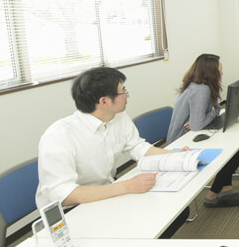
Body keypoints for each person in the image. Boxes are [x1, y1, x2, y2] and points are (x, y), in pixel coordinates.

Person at [36, 67, 196, 237]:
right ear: (104, 102)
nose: (127, 95)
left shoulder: (117, 117)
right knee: (139, 231)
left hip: (107, 191)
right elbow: (65, 194)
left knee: (176, 214)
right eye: (123, 91)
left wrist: (176, 155)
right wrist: (127, 186)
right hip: (70, 211)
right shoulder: (59, 136)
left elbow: (137, 147)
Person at [166, 53, 239, 208]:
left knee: (235, 149)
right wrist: (215, 110)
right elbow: (198, 124)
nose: (222, 72)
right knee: (236, 153)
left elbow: (198, 121)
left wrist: (211, 111)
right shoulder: (201, 90)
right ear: (211, 71)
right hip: (182, 144)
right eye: (220, 69)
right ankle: (212, 195)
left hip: (190, 136)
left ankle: (226, 190)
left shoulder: (198, 85)